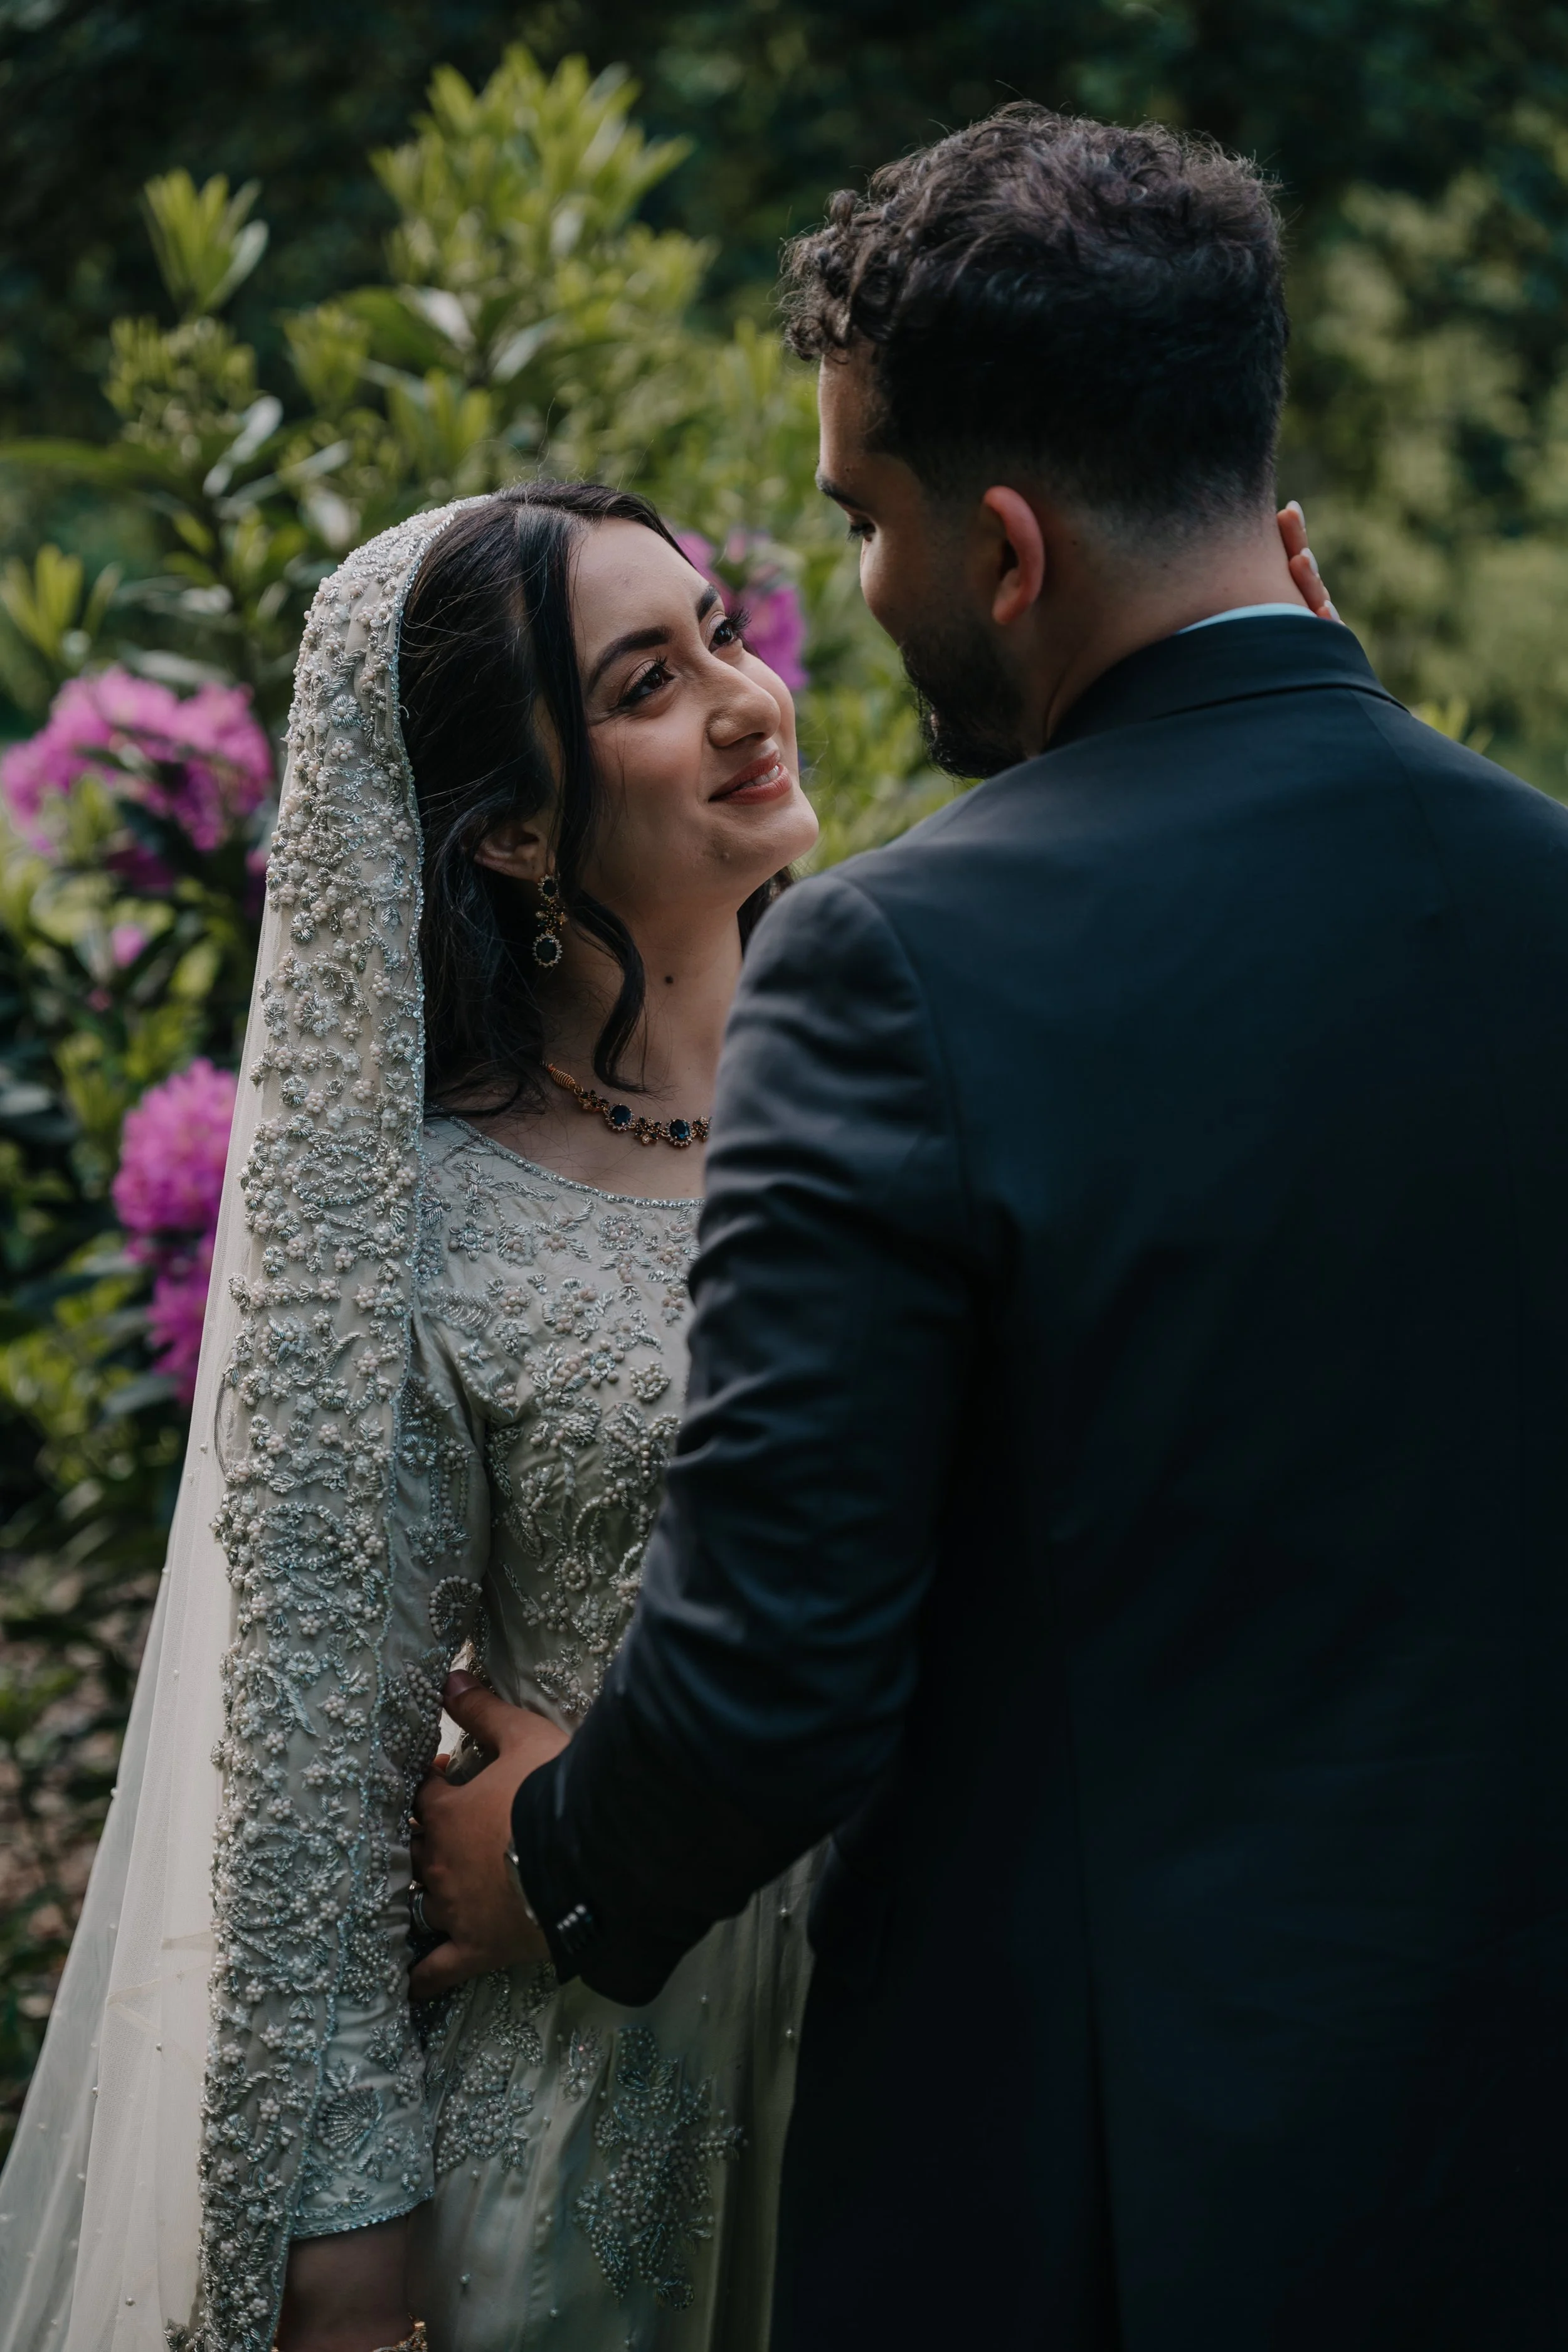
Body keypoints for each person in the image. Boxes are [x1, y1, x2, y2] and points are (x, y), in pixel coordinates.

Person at [410, 107, 1568, 2352]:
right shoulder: (1544, 896)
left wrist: (550, 1854)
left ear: (1006, 550)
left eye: (858, 520)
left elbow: (778, 1670)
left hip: (1094, 2187)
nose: (850, 590)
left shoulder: (896, 963)